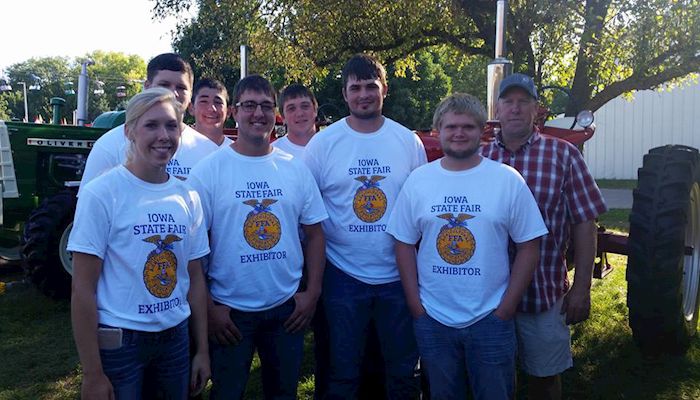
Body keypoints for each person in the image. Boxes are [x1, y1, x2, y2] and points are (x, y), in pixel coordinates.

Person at [387, 93, 547, 399]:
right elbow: (403, 242)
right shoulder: (418, 181)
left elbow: (529, 244)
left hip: (490, 317)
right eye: (450, 127)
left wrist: (506, 307)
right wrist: (416, 305)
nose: (459, 133)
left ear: (482, 131)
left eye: (468, 127)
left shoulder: (506, 179)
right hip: (434, 318)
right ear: (438, 131)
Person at [187, 75, 328, 400]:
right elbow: (192, 249)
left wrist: (312, 293)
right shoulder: (209, 171)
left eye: (266, 106)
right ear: (235, 111)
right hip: (229, 312)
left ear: (275, 113)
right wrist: (209, 307)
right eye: (249, 106)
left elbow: (316, 234)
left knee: (283, 394)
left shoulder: (294, 168)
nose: (258, 114)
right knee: (228, 394)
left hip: (286, 309)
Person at [69, 87, 211, 399]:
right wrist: (92, 374)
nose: (163, 135)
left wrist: (201, 350)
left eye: (171, 125)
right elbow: (82, 289)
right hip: (121, 344)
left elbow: (196, 278)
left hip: (176, 339)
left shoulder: (188, 196)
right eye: (151, 125)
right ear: (129, 131)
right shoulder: (102, 194)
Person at [304, 53, 426, 399]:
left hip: (398, 277)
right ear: (344, 94)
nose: (363, 94)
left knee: (402, 373)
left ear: (384, 89)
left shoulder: (408, 142)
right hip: (343, 275)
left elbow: (420, 206)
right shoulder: (324, 144)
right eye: (355, 88)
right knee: (342, 373)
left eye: (370, 86)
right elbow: (308, 211)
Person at [482, 73, 607, 400]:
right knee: (490, 380)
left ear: (537, 109)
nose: (515, 108)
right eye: (508, 101)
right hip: (485, 296)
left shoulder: (563, 155)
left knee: (544, 379)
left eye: (523, 102)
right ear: (497, 107)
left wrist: (581, 288)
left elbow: (584, 223)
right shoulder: (479, 158)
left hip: (543, 292)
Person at [78, 53, 219, 192]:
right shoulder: (109, 146)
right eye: (164, 84)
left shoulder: (209, 152)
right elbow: (89, 204)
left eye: (181, 87)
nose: (172, 93)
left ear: (191, 93)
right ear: (147, 86)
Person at [273, 83, 318, 159]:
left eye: (305, 106)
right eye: (291, 108)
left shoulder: (333, 147)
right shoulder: (273, 154)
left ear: (315, 110)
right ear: (283, 117)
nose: (299, 114)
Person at [188, 77, 234, 148]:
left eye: (218, 102)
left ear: (228, 111)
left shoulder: (238, 153)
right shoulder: (176, 150)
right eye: (204, 101)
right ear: (191, 108)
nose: (211, 108)